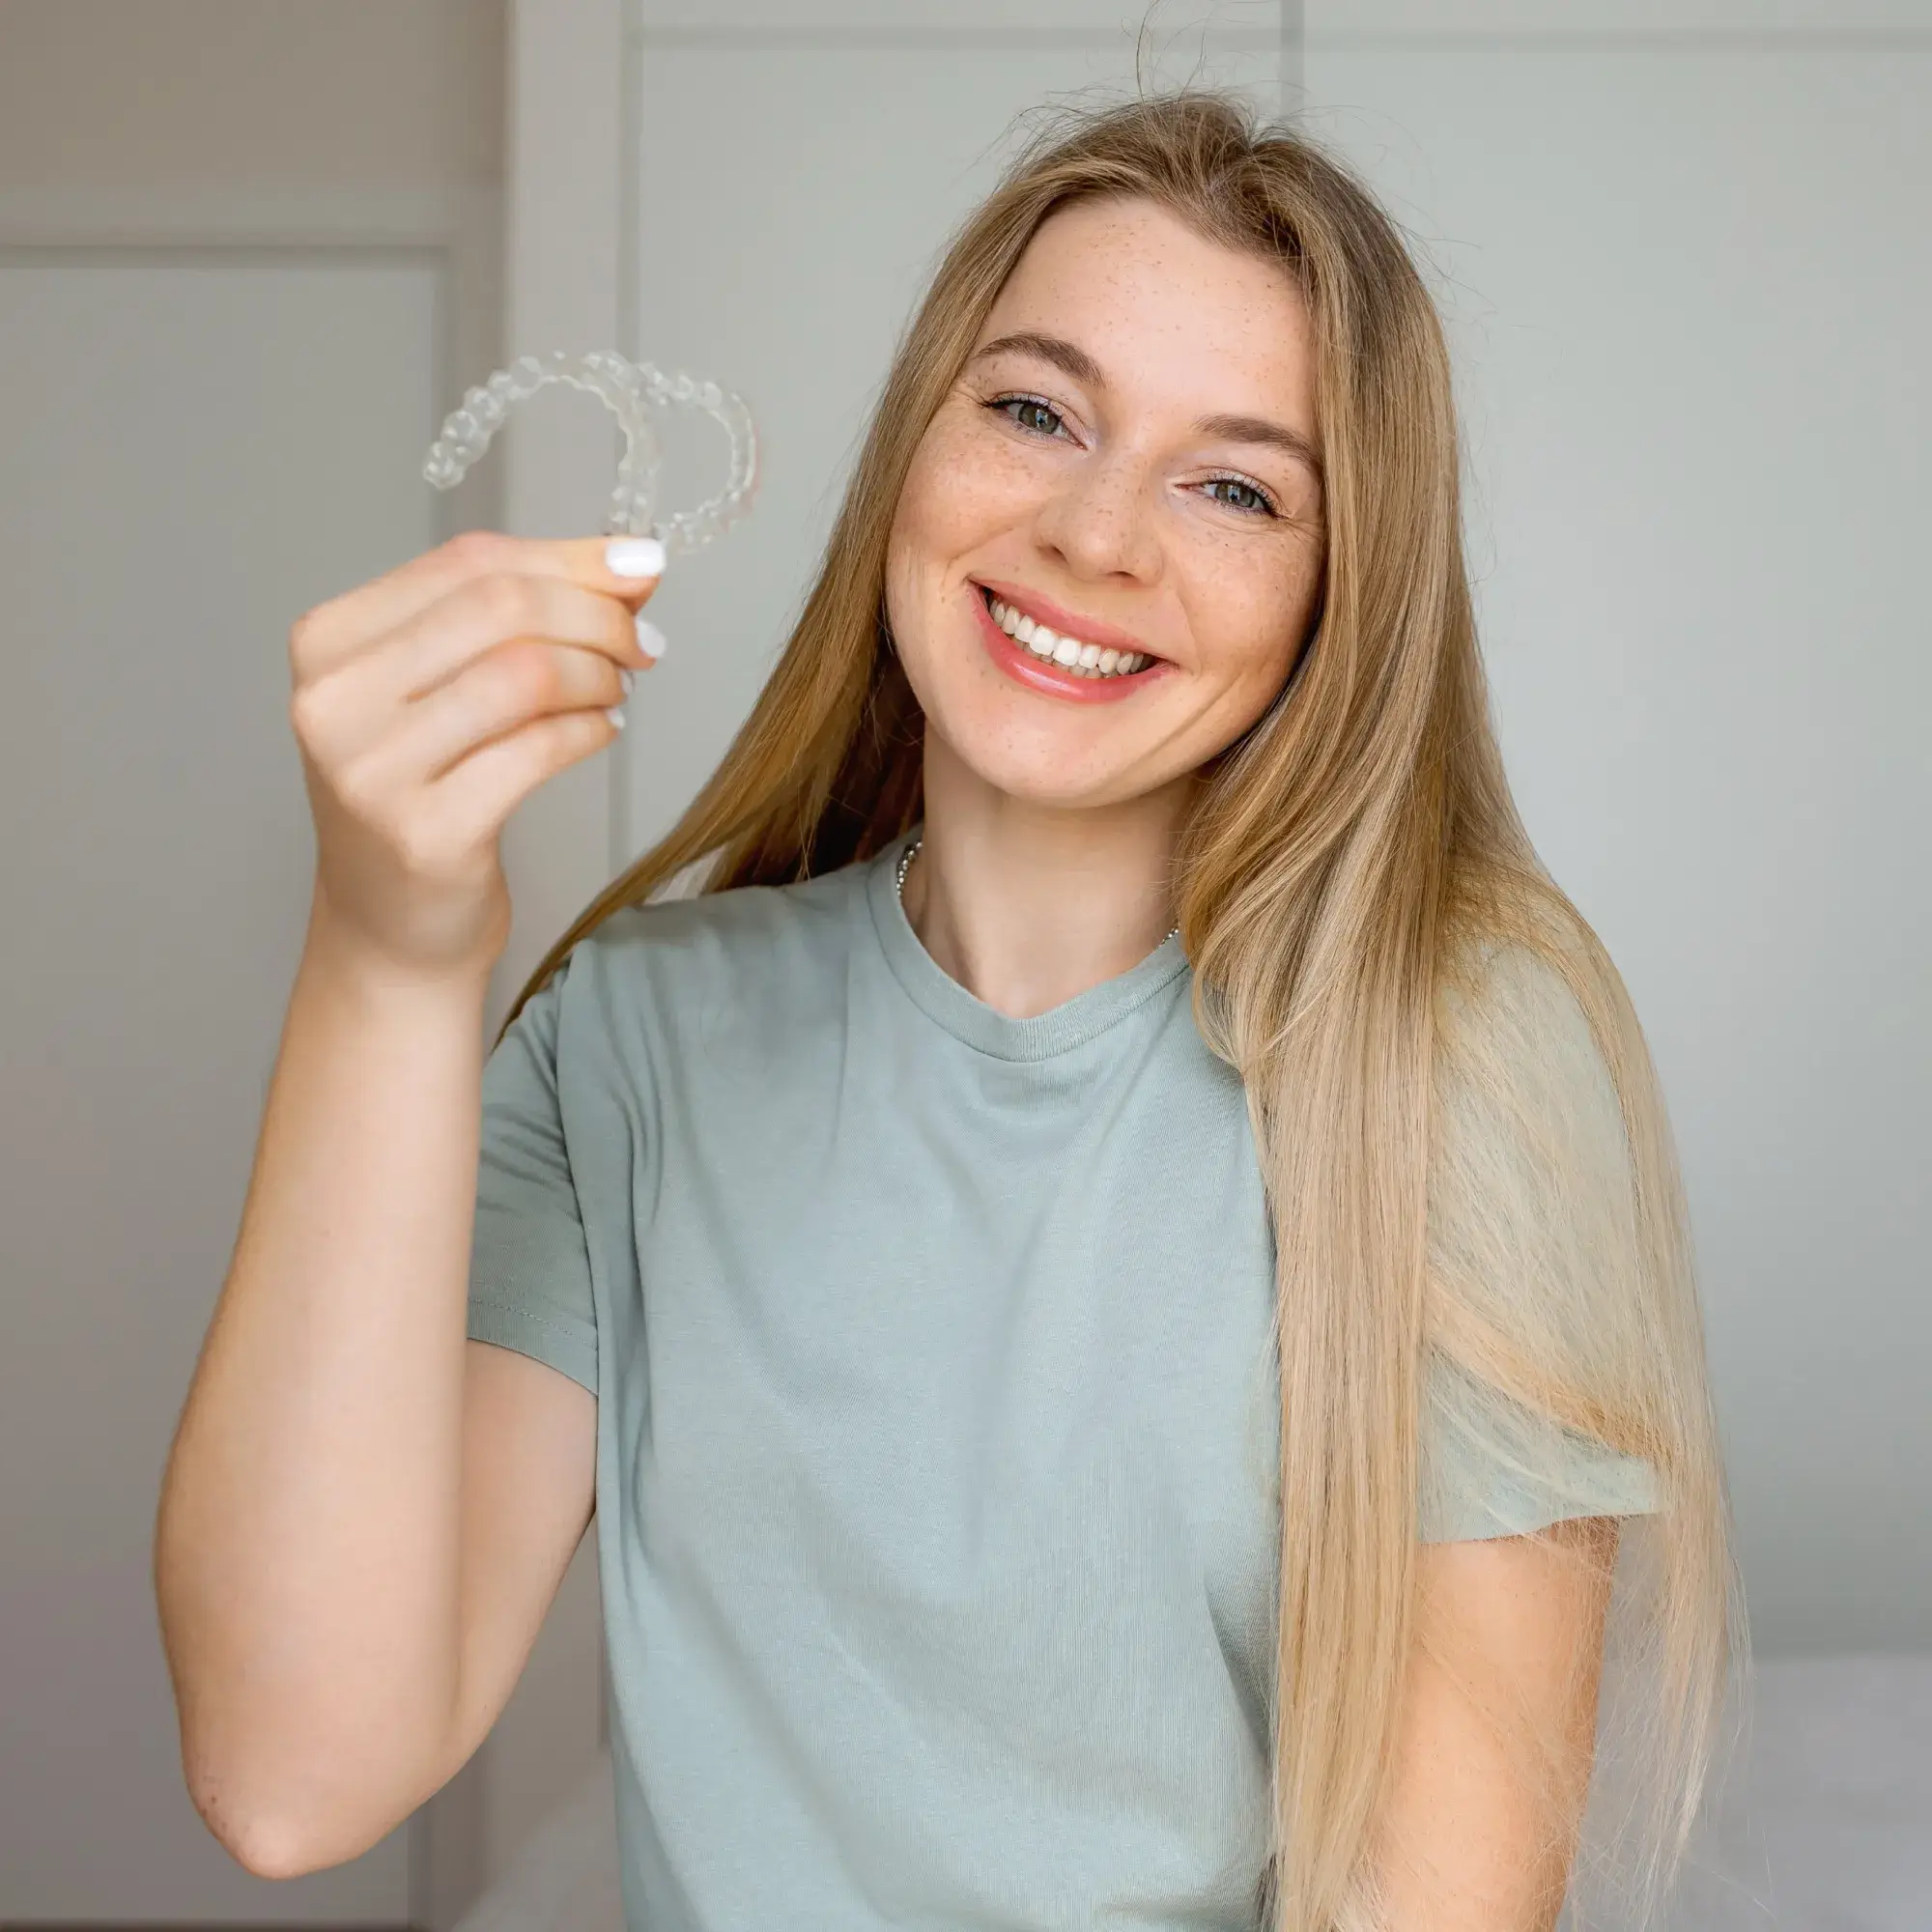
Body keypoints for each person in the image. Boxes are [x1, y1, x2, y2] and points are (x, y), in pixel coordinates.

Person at [155, 89, 1745, 1932]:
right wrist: (386, 951)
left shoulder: (1458, 1054)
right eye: (1033, 409)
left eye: (1234, 485)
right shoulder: (631, 1043)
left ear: (1339, 600)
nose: (1094, 533)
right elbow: (288, 1773)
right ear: (913, 451)